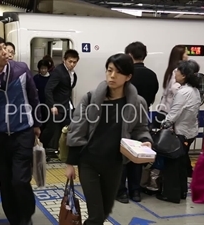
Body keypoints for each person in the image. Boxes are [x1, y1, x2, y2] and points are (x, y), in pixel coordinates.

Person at [65, 53, 153, 225]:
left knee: (104, 212)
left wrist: (145, 140)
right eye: (109, 70)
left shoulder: (137, 103)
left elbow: (141, 128)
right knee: (96, 215)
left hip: (114, 164)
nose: (112, 76)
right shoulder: (90, 98)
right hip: (88, 161)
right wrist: (70, 163)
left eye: (118, 72)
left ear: (128, 77)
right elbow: (76, 130)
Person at [0, 35, 41, 225]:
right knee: (5, 182)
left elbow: (33, 96)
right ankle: (14, 219)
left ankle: (26, 216)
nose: (4, 52)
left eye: (4, 47)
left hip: (22, 132)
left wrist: (36, 124)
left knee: (20, 180)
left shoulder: (20, 70)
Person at [117, 41, 159, 203]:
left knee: (123, 156)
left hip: (125, 120)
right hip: (142, 119)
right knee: (137, 158)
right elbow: (152, 97)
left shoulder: (128, 75)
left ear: (129, 56)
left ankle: (121, 192)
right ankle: (135, 192)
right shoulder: (152, 75)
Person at [157, 60, 201, 204]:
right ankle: (182, 191)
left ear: (184, 75)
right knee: (182, 163)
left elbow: (174, 114)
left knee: (172, 164)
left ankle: (171, 194)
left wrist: (162, 124)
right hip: (191, 132)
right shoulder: (195, 90)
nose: (175, 73)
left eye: (177, 71)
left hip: (180, 133)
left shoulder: (183, 92)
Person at [41, 49, 79, 153]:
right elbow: (48, 89)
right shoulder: (59, 71)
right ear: (64, 60)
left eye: (74, 62)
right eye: (70, 61)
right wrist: (52, 105)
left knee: (68, 128)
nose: (72, 64)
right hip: (56, 106)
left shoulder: (72, 74)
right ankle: (40, 147)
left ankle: (63, 151)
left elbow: (67, 90)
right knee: (51, 129)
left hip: (66, 106)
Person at [155, 45, 188, 127]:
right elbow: (174, 88)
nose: (187, 56)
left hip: (165, 108)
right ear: (180, 55)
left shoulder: (170, 69)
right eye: (186, 54)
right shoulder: (177, 71)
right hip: (170, 110)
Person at [33, 59, 52, 133]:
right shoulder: (36, 78)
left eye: (45, 68)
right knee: (40, 122)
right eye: (41, 68)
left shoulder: (51, 78)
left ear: (48, 68)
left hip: (48, 103)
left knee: (48, 123)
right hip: (39, 104)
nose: (43, 70)